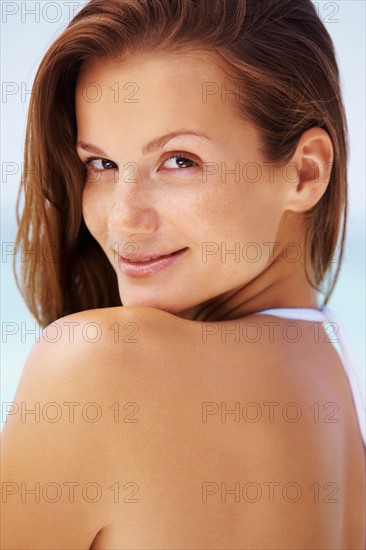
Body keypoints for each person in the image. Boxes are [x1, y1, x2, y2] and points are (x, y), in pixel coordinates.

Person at [1, 0, 365, 547]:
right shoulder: (331, 382)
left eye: (179, 161)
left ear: (303, 172)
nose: (123, 217)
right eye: (102, 164)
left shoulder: (100, 364)